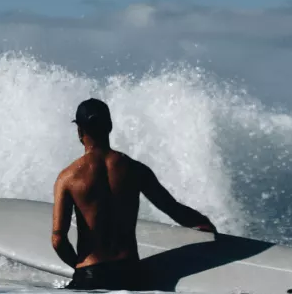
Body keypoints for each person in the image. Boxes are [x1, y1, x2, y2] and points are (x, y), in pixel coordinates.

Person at [52, 98, 217, 291]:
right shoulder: (135, 170)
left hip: (91, 274)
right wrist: (205, 223)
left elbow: (58, 240)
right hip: (130, 273)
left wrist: (79, 267)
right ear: (110, 126)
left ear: (80, 131)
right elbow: (174, 209)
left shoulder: (68, 177)